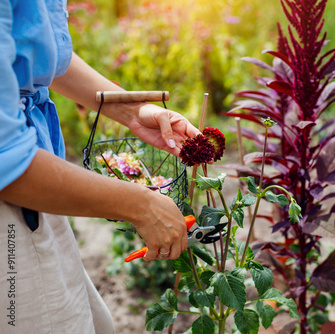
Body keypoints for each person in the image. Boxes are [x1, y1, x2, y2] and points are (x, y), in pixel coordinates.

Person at [0, 1, 198, 333]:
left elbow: (36, 51)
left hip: (38, 183)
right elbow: (6, 161)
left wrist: (133, 111)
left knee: (95, 322)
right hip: (17, 199)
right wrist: (142, 205)